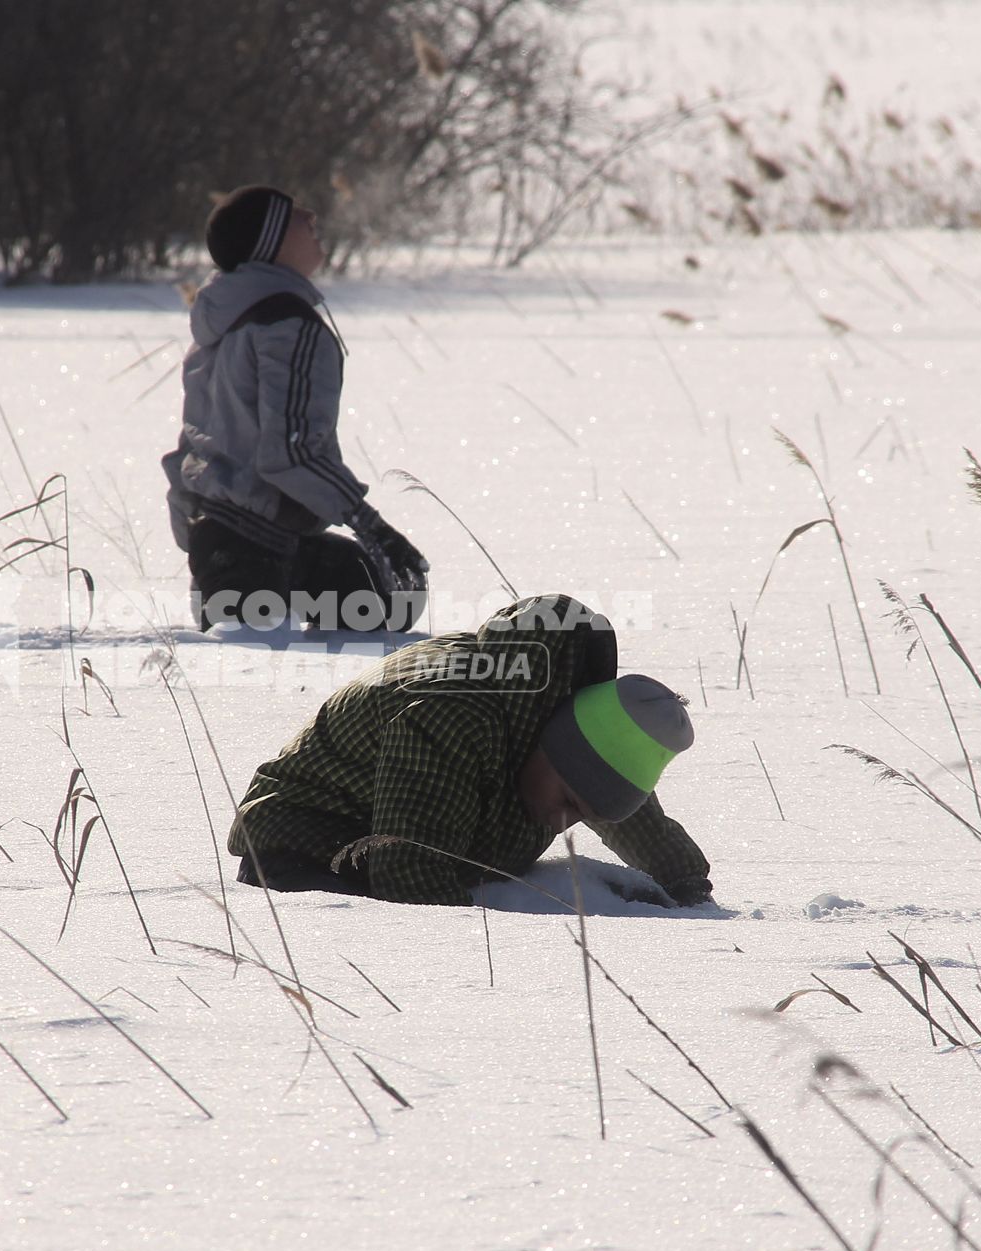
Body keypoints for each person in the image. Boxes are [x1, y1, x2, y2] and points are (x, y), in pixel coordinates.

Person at [227, 594, 714, 907]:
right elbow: (411, 877)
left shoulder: (569, 719)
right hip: (304, 844)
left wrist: (690, 890)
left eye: (583, 812)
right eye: (569, 802)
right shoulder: (453, 716)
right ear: (556, 748)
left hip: (418, 838)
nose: (564, 822)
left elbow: (626, 814)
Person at [162, 184, 429, 633]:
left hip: (231, 541)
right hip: (249, 552)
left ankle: (235, 597)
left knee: (389, 605)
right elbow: (291, 454)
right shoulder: (286, 325)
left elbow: (191, 446)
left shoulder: (224, 320)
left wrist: (199, 536)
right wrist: (373, 528)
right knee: (255, 676)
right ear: (269, 244)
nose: (310, 216)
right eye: (293, 216)